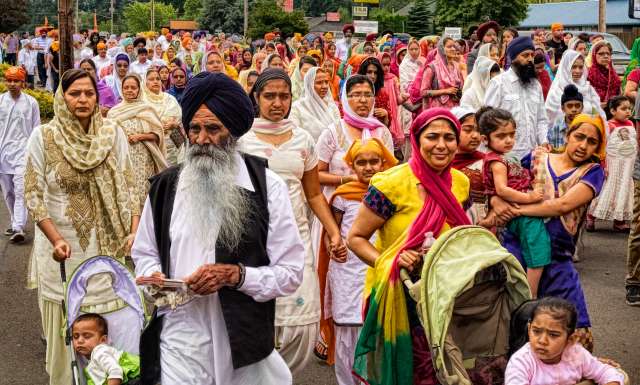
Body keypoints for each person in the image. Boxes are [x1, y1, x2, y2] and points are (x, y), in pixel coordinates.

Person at [133, 72, 305, 384]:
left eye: (213, 129)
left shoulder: (267, 187)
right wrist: (154, 276)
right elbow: (144, 252)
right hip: (180, 338)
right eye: (194, 129)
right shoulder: (165, 187)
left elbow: (291, 272)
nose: (200, 139)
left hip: (243, 346)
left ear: (234, 132)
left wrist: (237, 276)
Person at [24, 69, 139, 385]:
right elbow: (33, 195)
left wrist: (133, 229)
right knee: (67, 328)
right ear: (63, 98)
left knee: (109, 329)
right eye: (75, 93)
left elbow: (131, 184)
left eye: (89, 93)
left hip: (105, 248)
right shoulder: (44, 137)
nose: (83, 99)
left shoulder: (111, 133)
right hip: (60, 252)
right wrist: (56, 238)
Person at [348, 108, 471, 385]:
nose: (441, 145)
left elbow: (461, 234)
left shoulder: (461, 183)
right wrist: (392, 261)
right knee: (409, 373)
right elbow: (355, 238)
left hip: (446, 295)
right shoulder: (389, 184)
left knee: (448, 368)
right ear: (416, 139)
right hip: (398, 295)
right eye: (432, 137)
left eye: (449, 138)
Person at [238, 69, 347, 376]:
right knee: (260, 317)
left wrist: (333, 230)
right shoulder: (241, 140)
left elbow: (313, 194)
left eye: (283, 96)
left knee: (302, 323)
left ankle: (283, 377)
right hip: (254, 240)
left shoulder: (303, 139)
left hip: (296, 236)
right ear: (256, 98)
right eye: (269, 96)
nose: (277, 103)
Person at [494, 113, 606, 351]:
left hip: (557, 257)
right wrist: (497, 203)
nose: (583, 145)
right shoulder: (537, 156)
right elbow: (504, 182)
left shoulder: (593, 172)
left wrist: (517, 211)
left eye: (591, 142)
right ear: (567, 135)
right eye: (579, 137)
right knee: (509, 319)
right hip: (518, 248)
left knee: (573, 328)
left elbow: (563, 205)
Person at [317, 138, 397, 385]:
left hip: (378, 265)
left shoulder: (390, 193)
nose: (368, 167)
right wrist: (334, 246)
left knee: (375, 323)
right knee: (346, 326)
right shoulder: (343, 196)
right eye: (361, 163)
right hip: (346, 269)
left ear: (384, 164)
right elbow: (333, 232)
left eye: (374, 161)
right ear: (352, 167)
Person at [479, 107, 551, 298]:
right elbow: (501, 189)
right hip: (523, 213)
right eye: (501, 136)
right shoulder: (497, 162)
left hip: (516, 211)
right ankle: (531, 294)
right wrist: (530, 198)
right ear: (486, 139)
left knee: (529, 252)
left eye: (511, 134)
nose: (509, 140)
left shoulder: (504, 157)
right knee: (538, 252)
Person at [505, 297, 625, 385]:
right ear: (529, 328)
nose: (542, 341)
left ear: (571, 339)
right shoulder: (521, 362)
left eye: (553, 335)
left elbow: (605, 371)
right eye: (536, 331)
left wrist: (612, 382)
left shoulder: (576, 354)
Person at [485, 36, 550, 160]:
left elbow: (541, 119)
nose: (530, 59)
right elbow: (488, 120)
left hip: (533, 155)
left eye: (532, 55)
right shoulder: (499, 83)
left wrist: (544, 141)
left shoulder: (535, 85)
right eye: (525, 56)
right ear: (513, 58)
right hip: (506, 156)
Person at [107, 74, 166, 209]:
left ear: (139, 89)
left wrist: (140, 137)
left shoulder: (147, 109)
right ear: (121, 89)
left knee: (143, 193)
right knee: (126, 193)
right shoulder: (113, 112)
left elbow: (158, 135)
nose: (129, 90)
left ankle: (144, 226)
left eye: (133, 87)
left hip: (144, 160)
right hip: (122, 159)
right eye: (126, 87)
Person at [0, 66, 40, 243]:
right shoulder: (1, 101)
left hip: (23, 153)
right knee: (8, 192)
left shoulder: (31, 103)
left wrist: (35, 153)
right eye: (9, 80)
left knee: (20, 190)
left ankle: (18, 227)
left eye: (16, 81)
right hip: (3, 153)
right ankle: (14, 221)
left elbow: (36, 128)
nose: (12, 84)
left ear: (23, 83)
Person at [587, 96, 636, 232]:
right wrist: (603, 165)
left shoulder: (631, 124)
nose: (628, 112)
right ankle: (591, 216)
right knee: (607, 189)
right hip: (613, 164)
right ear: (613, 111)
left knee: (624, 189)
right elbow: (603, 147)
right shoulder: (609, 125)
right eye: (624, 109)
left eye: (629, 109)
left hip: (627, 165)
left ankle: (619, 221)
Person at [71, 313, 140, 385]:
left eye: (87, 336)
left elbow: (116, 371)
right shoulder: (92, 359)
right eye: (76, 337)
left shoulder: (99, 352)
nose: (80, 340)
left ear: (103, 340)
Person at [546, 50, 607, 128]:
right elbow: (550, 121)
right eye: (574, 67)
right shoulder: (556, 91)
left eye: (581, 67)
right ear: (566, 67)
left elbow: (598, 114)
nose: (578, 71)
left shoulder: (588, 89)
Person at [450, 106, 486, 224]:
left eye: (478, 130)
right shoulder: (441, 162)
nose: (475, 135)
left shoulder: (487, 162)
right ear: (453, 130)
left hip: (482, 223)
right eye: (468, 129)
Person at [143, 68, 184, 165]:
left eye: (157, 79)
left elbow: (179, 120)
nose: (155, 81)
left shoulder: (170, 99)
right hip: (153, 144)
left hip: (173, 140)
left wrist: (174, 124)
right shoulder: (142, 102)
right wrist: (158, 127)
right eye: (151, 79)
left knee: (173, 172)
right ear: (145, 82)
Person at [289, 67, 340, 142]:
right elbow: (295, 135)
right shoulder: (297, 108)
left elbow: (339, 133)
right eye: (319, 82)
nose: (325, 86)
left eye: (326, 82)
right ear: (309, 85)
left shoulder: (332, 107)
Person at [421, 37, 464, 110]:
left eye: (454, 46)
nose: (453, 49)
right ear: (441, 49)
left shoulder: (457, 66)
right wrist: (446, 91)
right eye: (449, 47)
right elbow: (423, 92)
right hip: (438, 110)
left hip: (456, 108)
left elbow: (461, 87)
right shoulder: (432, 67)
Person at [547, 85, 584, 153]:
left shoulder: (588, 127)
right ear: (563, 108)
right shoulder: (556, 128)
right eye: (570, 106)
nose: (574, 109)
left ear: (582, 107)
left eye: (577, 105)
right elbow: (555, 153)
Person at [587, 40, 621, 110]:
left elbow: (619, 97)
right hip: (594, 112)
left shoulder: (614, 75)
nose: (605, 56)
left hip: (613, 112)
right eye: (601, 54)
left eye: (608, 54)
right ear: (594, 55)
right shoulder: (589, 75)